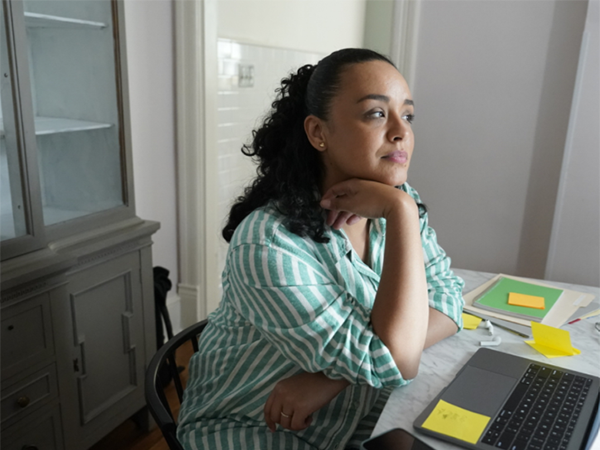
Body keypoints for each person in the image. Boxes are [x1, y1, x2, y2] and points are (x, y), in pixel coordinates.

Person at [177, 48, 465, 450]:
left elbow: (450, 303)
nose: (401, 131)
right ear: (318, 133)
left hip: (354, 418)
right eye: (377, 114)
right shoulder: (270, 242)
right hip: (254, 429)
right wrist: (400, 213)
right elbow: (399, 360)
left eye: (408, 114)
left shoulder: (400, 203)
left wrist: (332, 377)